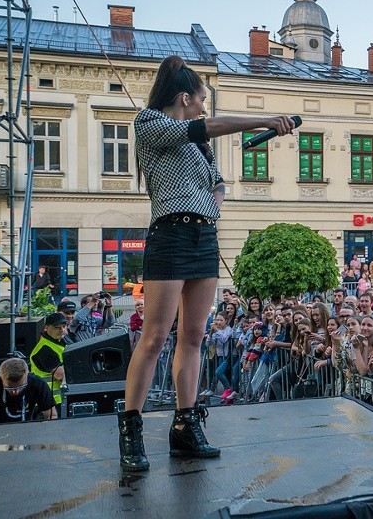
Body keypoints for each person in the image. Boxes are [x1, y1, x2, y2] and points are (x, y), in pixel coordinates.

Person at [117, 54, 295, 472]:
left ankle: (184, 425)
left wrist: (213, 204)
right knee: (156, 336)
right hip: (170, 235)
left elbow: (218, 181)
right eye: (201, 99)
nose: (203, 106)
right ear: (184, 97)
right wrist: (265, 119)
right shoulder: (150, 123)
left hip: (202, 235)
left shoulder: (197, 144)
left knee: (193, 336)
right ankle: (131, 428)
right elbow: (205, 126)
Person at [0, 358, 56, 425]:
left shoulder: (38, 384)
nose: (15, 392)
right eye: (9, 388)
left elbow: (51, 417)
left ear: (27, 374)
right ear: (0, 376)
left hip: (28, 431)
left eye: (21, 387)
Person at [29, 312, 69, 410]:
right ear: (47, 328)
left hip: (57, 399)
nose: (61, 330)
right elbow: (60, 375)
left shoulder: (59, 342)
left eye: (64, 326)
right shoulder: (45, 349)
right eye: (57, 327)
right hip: (50, 402)